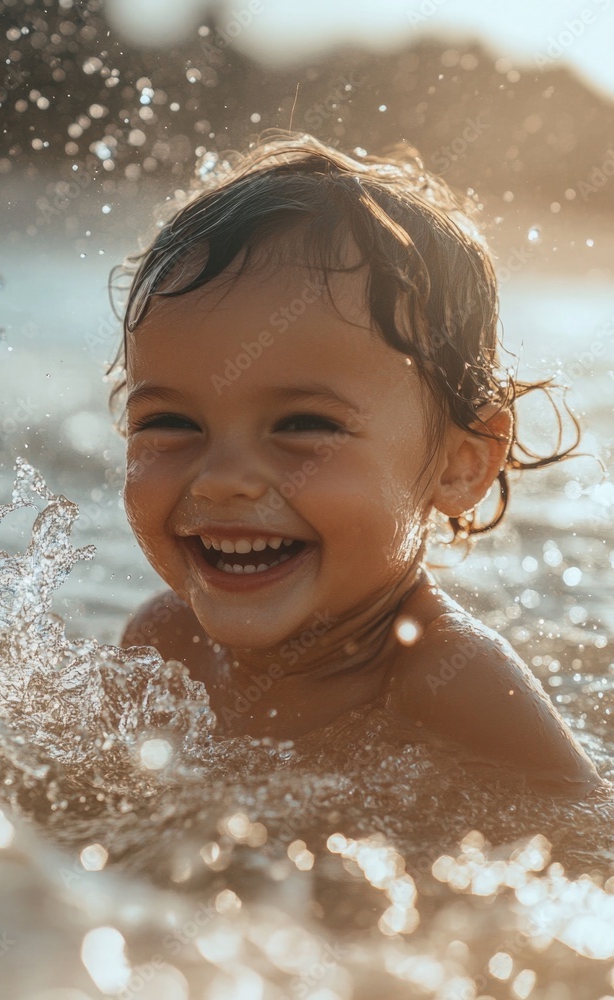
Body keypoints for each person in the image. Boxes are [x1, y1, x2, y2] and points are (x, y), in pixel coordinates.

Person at [109, 131, 601, 790]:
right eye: (170, 422)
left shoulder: (451, 682)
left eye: (303, 425)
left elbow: (584, 850)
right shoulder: (165, 645)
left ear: (461, 465)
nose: (222, 478)